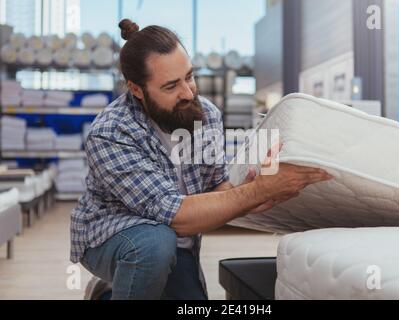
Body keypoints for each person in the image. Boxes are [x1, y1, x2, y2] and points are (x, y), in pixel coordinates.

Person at [70, 19, 333, 300]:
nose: (188, 92)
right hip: (110, 234)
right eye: (171, 86)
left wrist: (253, 188)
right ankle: (114, 285)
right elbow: (174, 216)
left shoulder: (205, 114)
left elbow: (217, 188)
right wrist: (257, 191)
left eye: (189, 76)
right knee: (154, 244)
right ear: (137, 90)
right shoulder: (111, 132)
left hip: (177, 242)